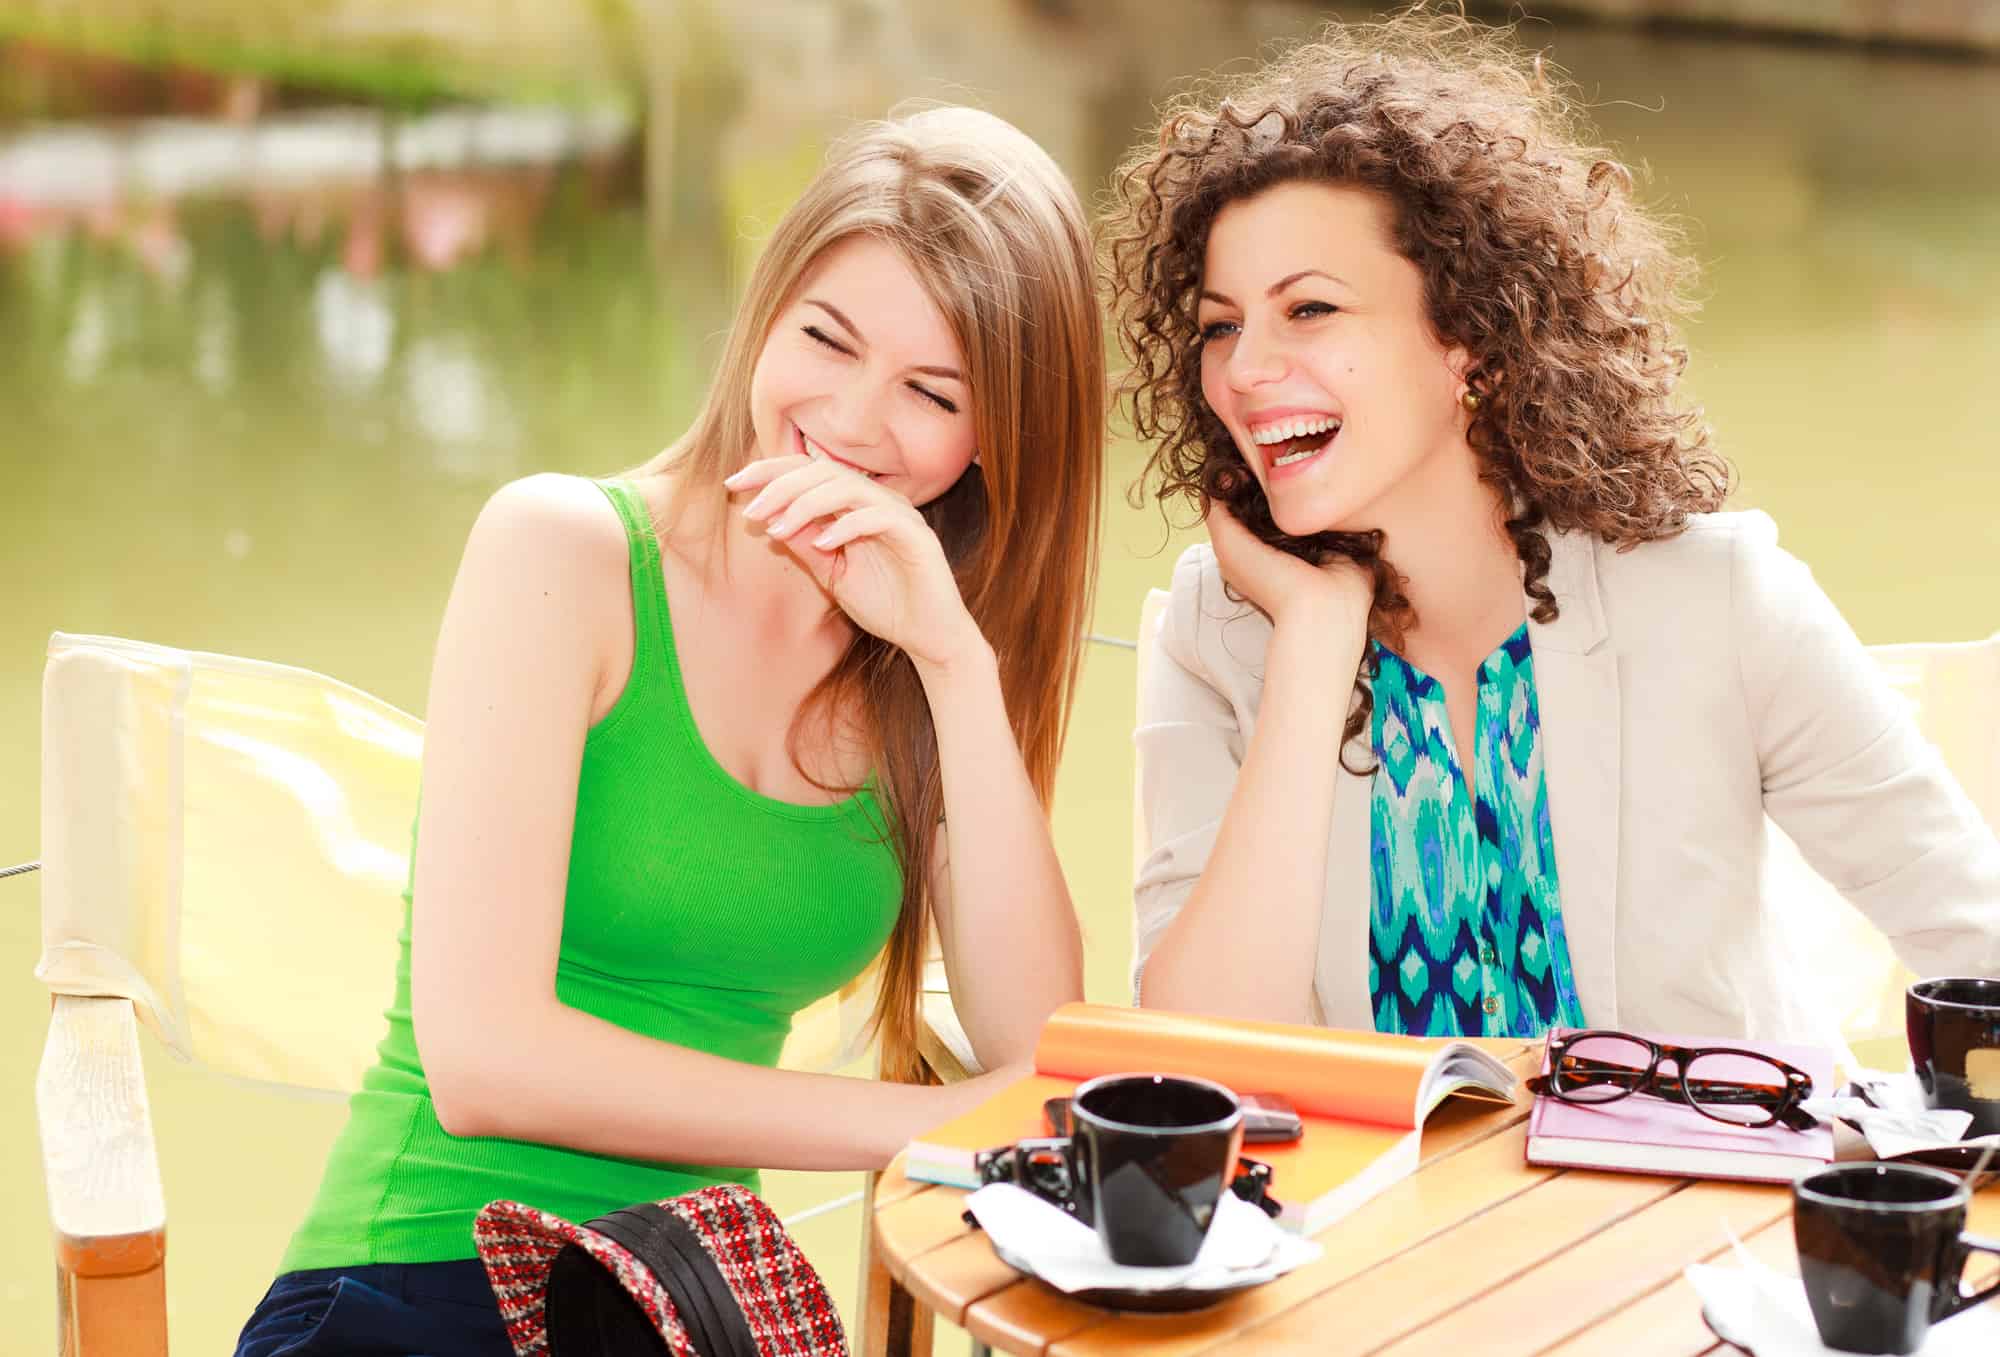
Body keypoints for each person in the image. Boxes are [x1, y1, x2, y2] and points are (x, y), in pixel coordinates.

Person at [234, 105, 1103, 1357]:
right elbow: (484, 1061)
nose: (854, 421)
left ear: (997, 440)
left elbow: (1032, 1050)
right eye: (826, 338)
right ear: (766, 308)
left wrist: (956, 659)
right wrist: (909, 1123)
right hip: (426, 1267)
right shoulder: (562, 552)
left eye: (930, 392)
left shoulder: (924, 656)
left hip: (680, 1298)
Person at [1106, 11, 2000, 1043]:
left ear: (1470, 342)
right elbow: (1196, 1058)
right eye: (1220, 325)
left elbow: (1972, 939)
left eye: (1307, 310)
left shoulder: (1713, 596)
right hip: (1366, 1209)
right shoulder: (1216, 630)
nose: (1245, 370)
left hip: (1705, 1197)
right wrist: (1311, 645)